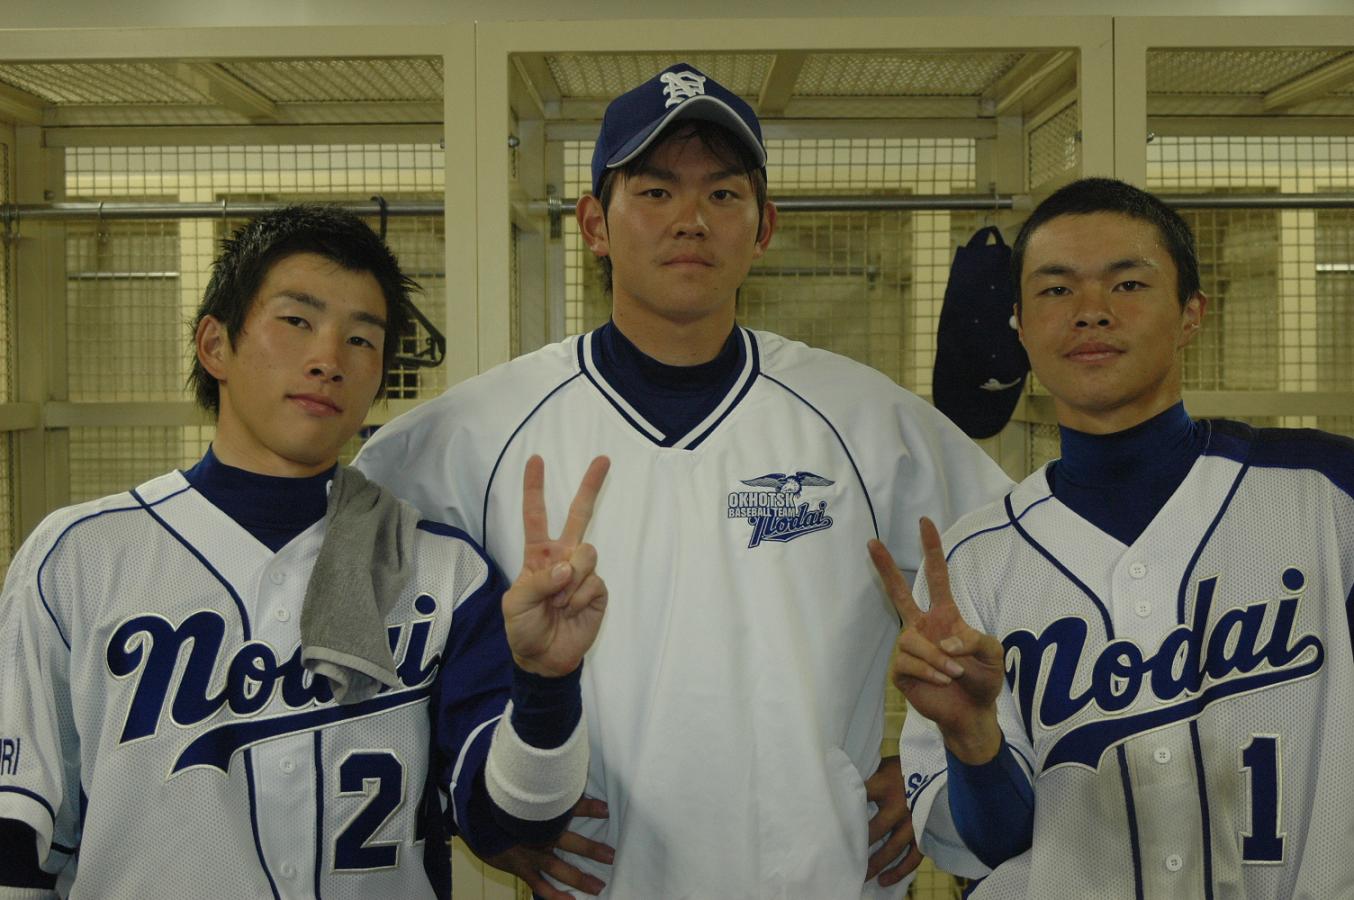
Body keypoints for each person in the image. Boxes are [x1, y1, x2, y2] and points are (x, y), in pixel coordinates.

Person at [355, 64, 1011, 898]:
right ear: (594, 223)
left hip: (817, 877)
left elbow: (1032, 578)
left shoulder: (872, 423)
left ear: (763, 227)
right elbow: (357, 649)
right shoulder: (469, 433)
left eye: (723, 194)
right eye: (655, 191)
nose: (691, 219)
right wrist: (480, 806)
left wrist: (937, 770)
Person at [0, 205, 611, 899]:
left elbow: (512, 822)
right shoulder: (78, 557)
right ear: (215, 345)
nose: (329, 360)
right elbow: (18, 841)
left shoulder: (446, 571)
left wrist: (545, 680)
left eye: (361, 339)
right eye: (296, 321)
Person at [876, 177, 1354, 898]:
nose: (1091, 311)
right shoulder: (976, 559)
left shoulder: (1327, 495)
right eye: (1056, 289)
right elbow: (990, 847)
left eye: (1128, 284)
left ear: (1191, 313)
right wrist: (973, 738)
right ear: (1019, 325)